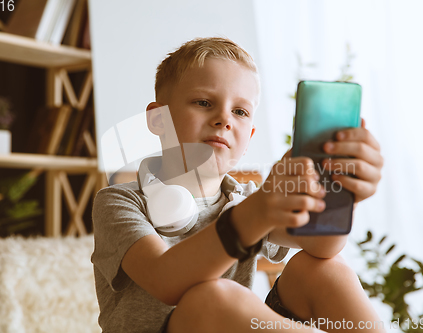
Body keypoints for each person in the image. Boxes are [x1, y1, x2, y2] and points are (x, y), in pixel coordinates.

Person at [91, 37, 386, 333]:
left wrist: (342, 194)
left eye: (240, 112)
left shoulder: (246, 201)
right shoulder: (118, 202)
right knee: (212, 298)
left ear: (249, 138)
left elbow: (322, 246)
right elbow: (164, 281)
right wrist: (257, 212)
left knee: (325, 270)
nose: (224, 119)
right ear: (158, 119)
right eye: (204, 103)